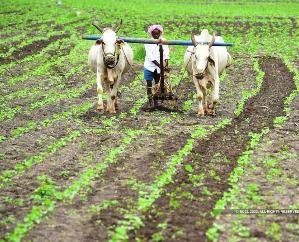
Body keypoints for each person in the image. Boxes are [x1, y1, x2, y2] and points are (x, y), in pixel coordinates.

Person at [144, 24, 170, 108]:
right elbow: (150, 56)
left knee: (157, 85)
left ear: (160, 33)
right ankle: (150, 101)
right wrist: (160, 66)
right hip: (149, 67)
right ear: (151, 34)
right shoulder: (147, 42)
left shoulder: (164, 41)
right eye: (154, 34)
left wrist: (166, 64)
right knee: (149, 84)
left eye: (157, 34)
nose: (156, 35)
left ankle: (156, 102)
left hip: (159, 68)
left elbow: (166, 54)